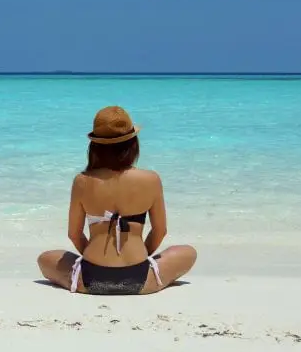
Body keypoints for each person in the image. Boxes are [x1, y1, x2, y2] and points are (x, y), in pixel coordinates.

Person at [37, 105, 197, 295]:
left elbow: (74, 234)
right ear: (133, 144)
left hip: (90, 279)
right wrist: (139, 256)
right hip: (141, 278)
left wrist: (98, 258)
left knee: (45, 258)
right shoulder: (151, 179)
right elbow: (160, 231)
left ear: (95, 146)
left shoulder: (83, 181)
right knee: (188, 252)